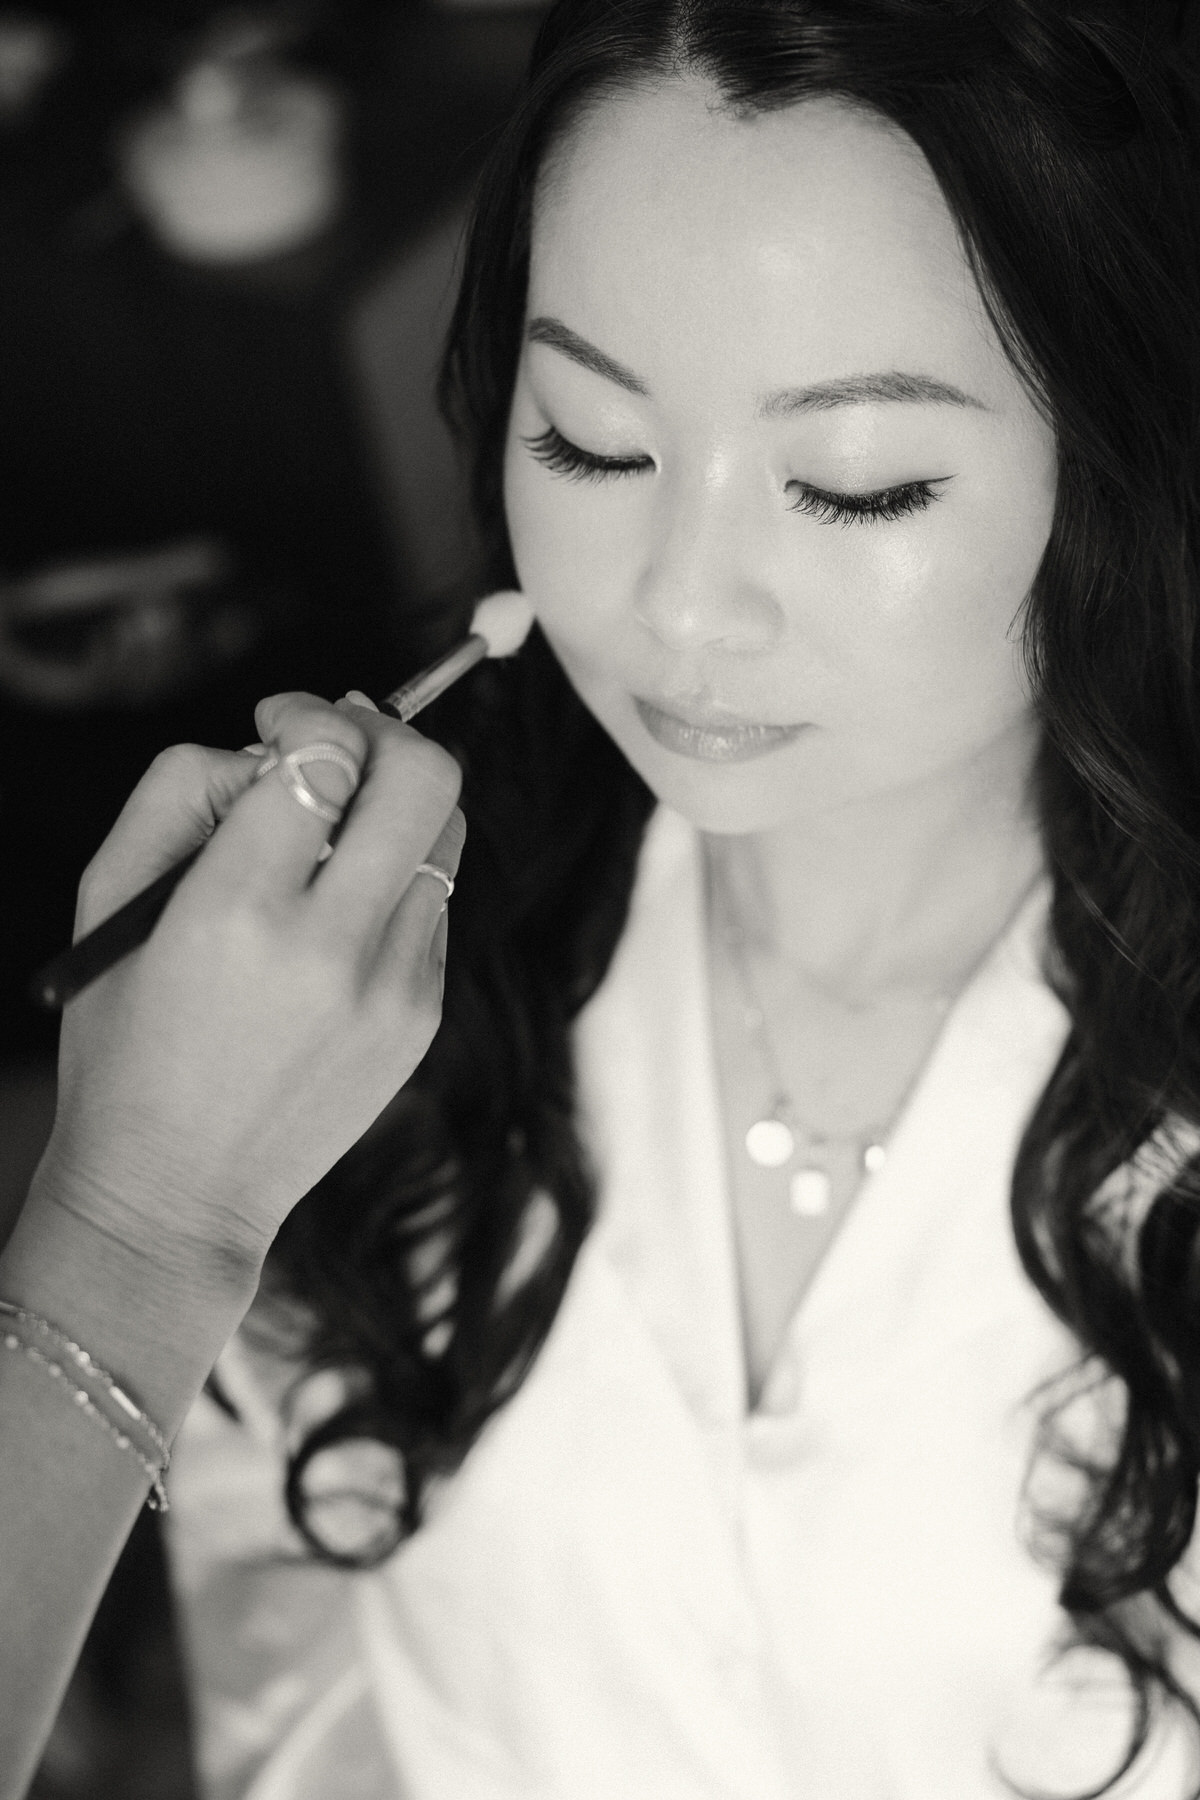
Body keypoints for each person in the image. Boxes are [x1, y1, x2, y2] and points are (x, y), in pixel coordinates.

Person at [3, 0, 1200, 1794]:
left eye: (855, 483)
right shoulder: (333, 1039)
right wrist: (148, 1218)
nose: (681, 605)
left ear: (1125, 455)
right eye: (589, 444)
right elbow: (292, 1653)